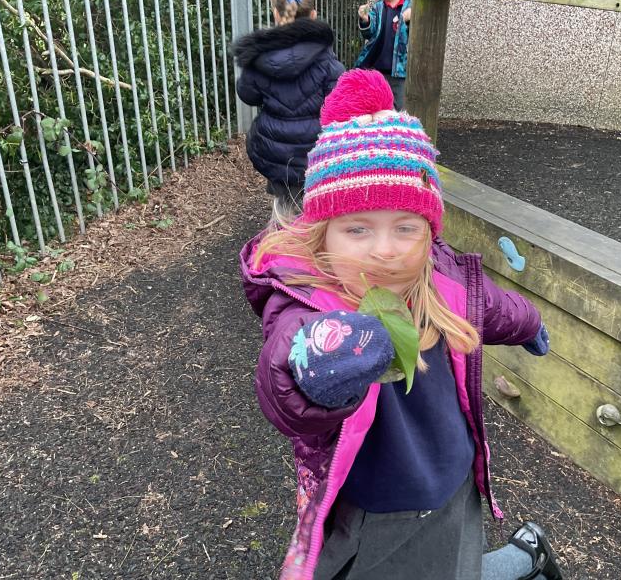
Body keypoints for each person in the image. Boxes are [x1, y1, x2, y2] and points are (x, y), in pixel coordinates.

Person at [240, 69, 561, 580]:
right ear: (322, 234)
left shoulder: (438, 278)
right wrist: (313, 360)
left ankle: (523, 557)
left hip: (451, 480)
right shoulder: (309, 300)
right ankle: (526, 556)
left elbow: (491, 305)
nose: (385, 250)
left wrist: (528, 322)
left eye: (405, 227)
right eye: (358, 228)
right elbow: (282, 369)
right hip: (372, 503)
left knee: (450, 563)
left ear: (429, 232)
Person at [233, 0, 345, 218]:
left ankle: (280, 235)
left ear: (276, 14)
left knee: (283, 208)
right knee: (315, 212)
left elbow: (248, 95)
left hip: (275, 151)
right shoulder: (328, 62)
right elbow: (339, 105)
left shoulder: (259, 57)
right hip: (316, 154)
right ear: (313, 15)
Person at [354, 0, 411, 110]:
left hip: (399, 72)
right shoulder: (377, 8)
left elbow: (416, 35)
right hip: (377, 70)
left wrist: (410, 19)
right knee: (376, 107)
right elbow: (369, 33)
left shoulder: (410, 8)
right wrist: (365, 19)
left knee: (400, 108)